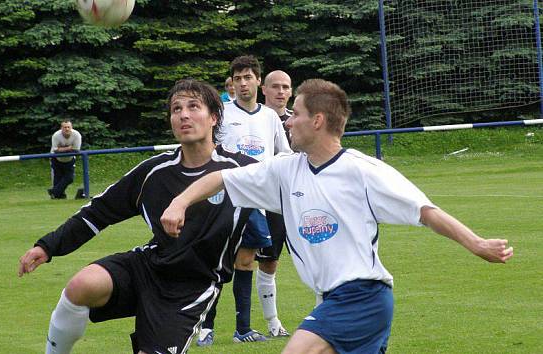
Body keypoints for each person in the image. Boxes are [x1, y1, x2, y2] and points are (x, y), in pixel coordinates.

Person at [161, 78, 514, 354]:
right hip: (337, 300)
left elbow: (425, 212)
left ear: (317, 120)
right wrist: (180, 202)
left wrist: (477, 243)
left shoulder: (362, 170)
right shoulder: (284, 171)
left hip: (361, 296)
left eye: (295, 114)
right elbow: (220, 177)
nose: (288, 123)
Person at [18, 79, 261, 354]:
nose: (183, 115)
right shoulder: (153, 173)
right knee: (81, 285)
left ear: (214, 117)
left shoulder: (243, 171)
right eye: (176, 109)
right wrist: (47, 246)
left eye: (194, 107)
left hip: (191, 287)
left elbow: (290, 192)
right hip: (148, 267)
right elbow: (97, 212)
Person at [196, 55, 292, 346]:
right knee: (215, 260)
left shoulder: (270, 117)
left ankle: (242, 329)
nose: (242, 83)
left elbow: (284, 153)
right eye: (237, 78)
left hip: (256, 199)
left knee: (246, 260)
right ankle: (204, 327)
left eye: (247, 77)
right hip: (224, 197)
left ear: (258, 81)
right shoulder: (221, 114)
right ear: (232, 83)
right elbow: (206, 151)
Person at [48, 120, 81, 199]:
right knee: (57, 178)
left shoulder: (77, 135)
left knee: (69, 178)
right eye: (65, 127)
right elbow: (55, 150)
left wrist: (61, 149)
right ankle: (59, 196)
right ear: (61, 128)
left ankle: (53, 192)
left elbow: (76, 150)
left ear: (71, 128)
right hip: (56, 159)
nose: (67, 129)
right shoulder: (56, 135)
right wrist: (69, 148)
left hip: (70, 160)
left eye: (68, 127)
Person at [261, 70, 293, 143]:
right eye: (275, 87)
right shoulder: (253, 117)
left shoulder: (297, 120)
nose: (281, 91)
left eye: (285, 87)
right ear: (264, 90)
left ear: (290, 92)